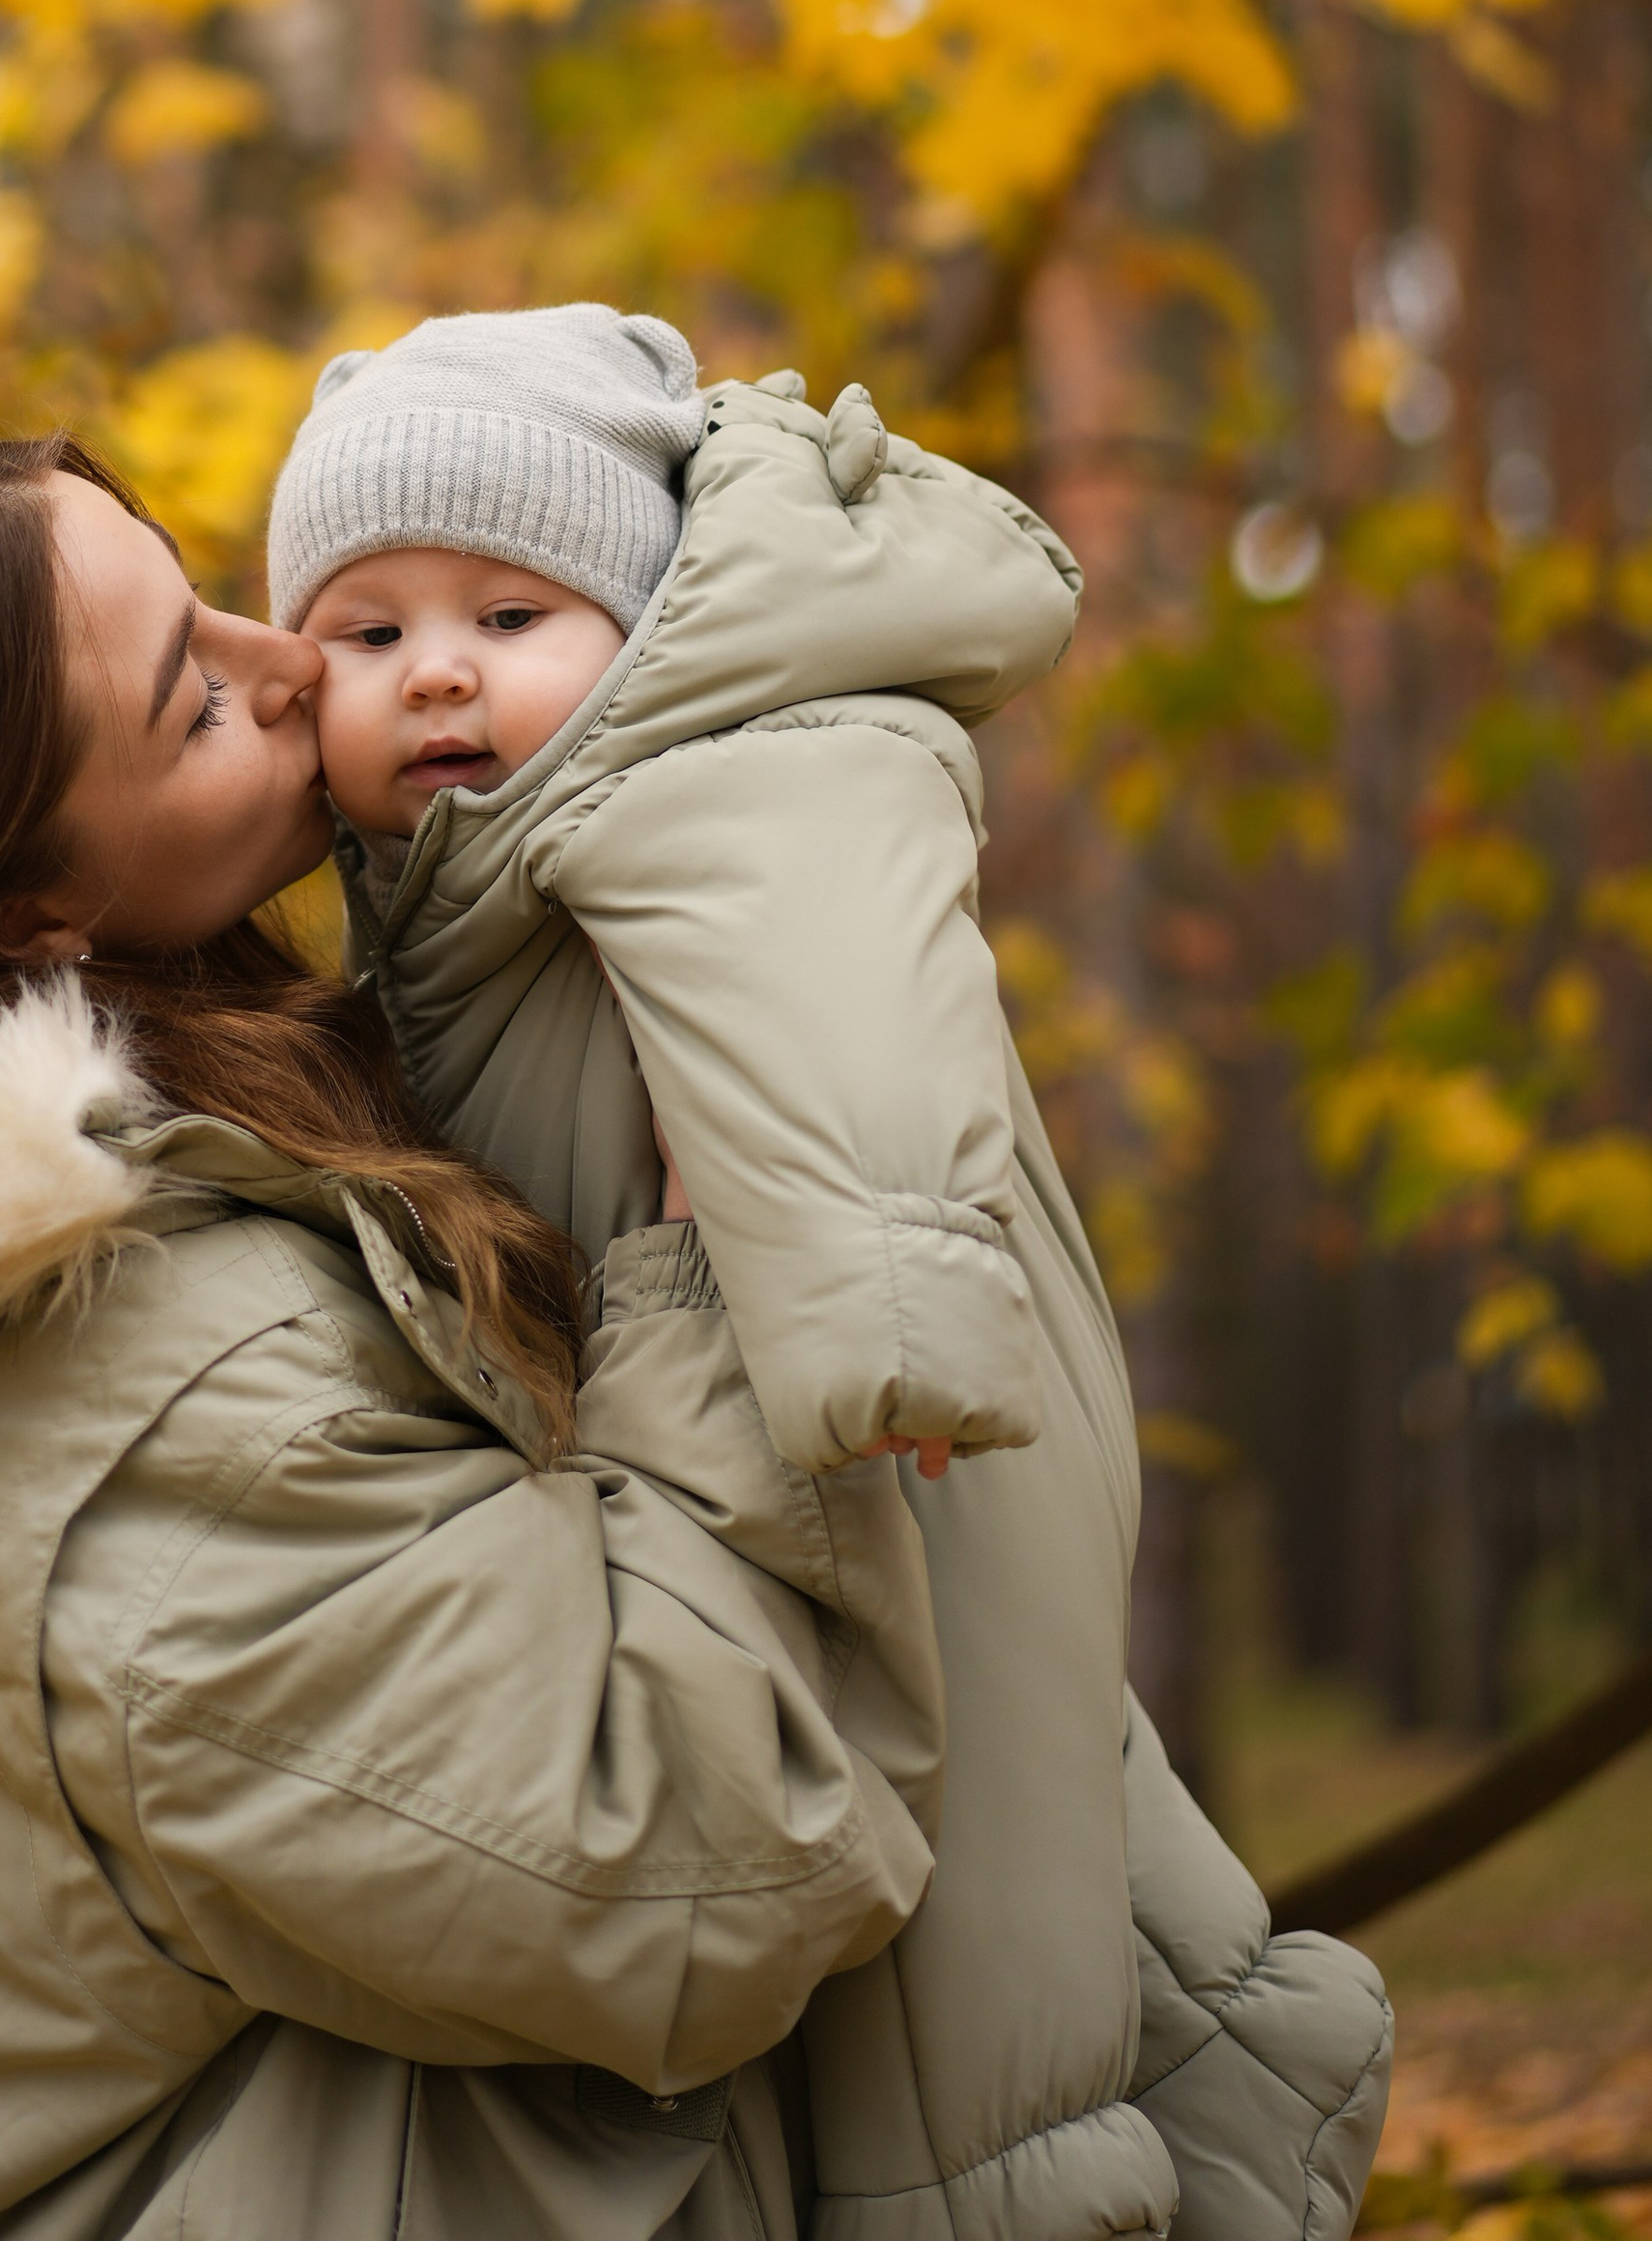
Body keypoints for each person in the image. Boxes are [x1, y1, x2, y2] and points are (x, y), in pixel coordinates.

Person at [0, 434, 950, 2241]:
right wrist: (707, 1281)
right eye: (193, 702)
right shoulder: (152, 1425)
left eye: (208, 592)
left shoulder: (164, 1184)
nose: (295, 661)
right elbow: (703, 1873)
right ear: (24, 916)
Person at [267, 305, 1395, 2241]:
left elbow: (844, 1008)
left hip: (871, 1417)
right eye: (365, 636)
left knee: (952, 2021)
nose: (434, 674)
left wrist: (872, 1316)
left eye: (508, 619)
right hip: (737, 1453)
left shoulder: (715, 784)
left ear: (635, 629)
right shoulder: (468, 884)